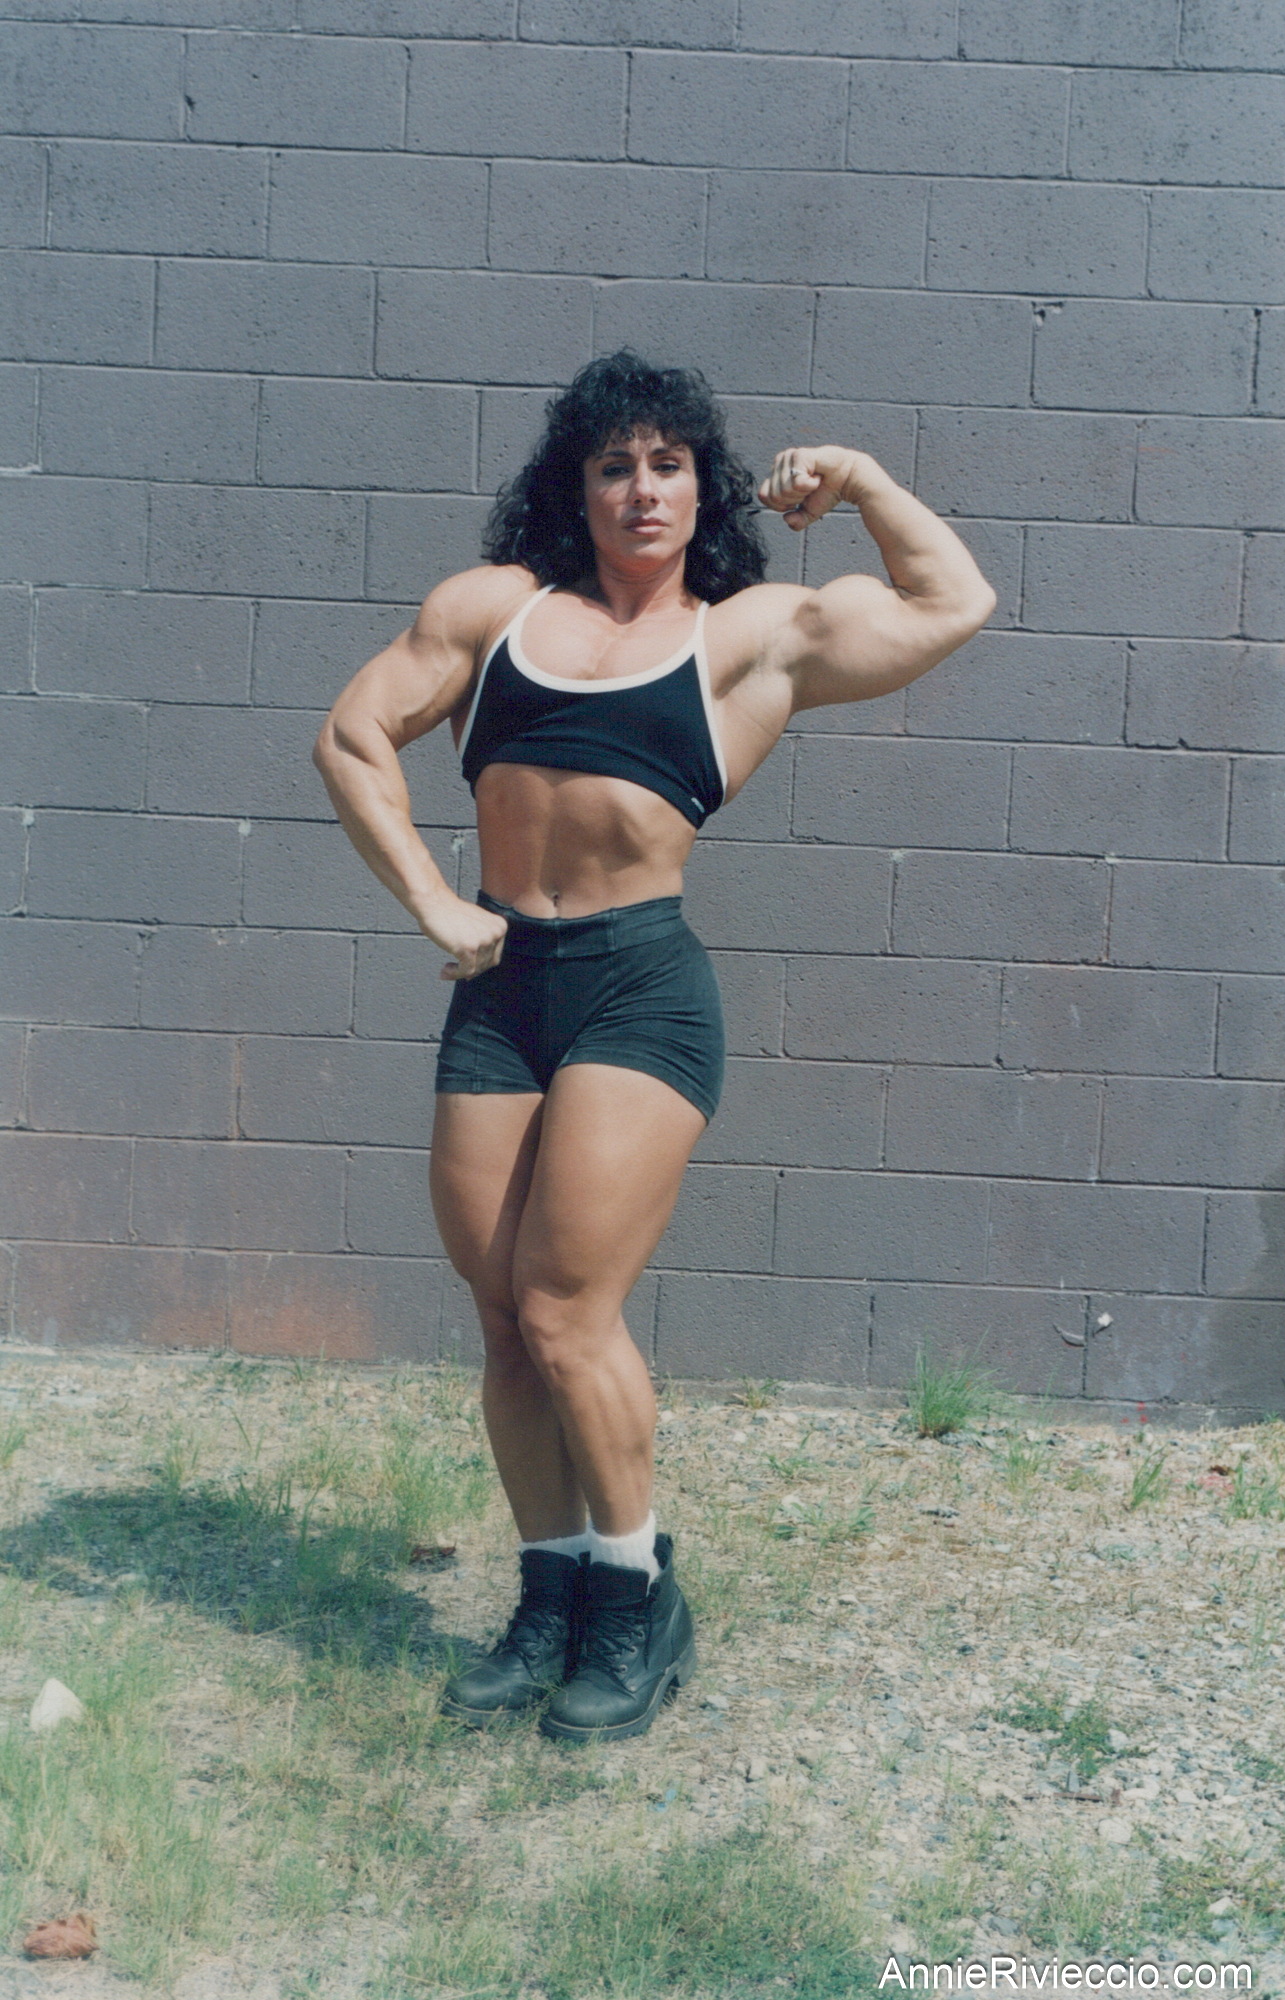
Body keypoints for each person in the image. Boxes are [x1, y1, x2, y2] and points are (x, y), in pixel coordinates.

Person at [313, 350, 995, 1745]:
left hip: (639, 991)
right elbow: (352, 735)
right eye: (615, 464)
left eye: (668, 465)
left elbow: (952, 602)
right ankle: (550, 1595)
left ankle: (634, 1602)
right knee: (504, 1317)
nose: (642, 489)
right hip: (501, 982)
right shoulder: (496, 610)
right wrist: (434, 900)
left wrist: (862, 481)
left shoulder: (749, 639)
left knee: (566, 1307)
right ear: (575, 486)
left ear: (701, 490)